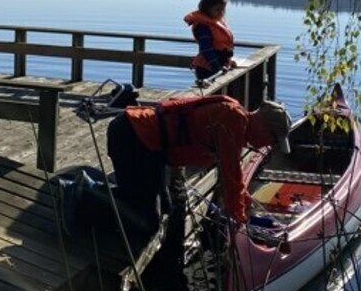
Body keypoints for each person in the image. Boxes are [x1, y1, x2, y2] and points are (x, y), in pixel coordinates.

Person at [106, 94, 292, 233]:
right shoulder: (233, 120)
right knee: (146, 216)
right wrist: (239, 220)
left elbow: (234, 179)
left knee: (165, 206)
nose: (270, 145)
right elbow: (231, 178)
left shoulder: (238, 126)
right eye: (273, 139)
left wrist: (244, 201)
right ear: (263, 126)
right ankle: (84, 191)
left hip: (153, 150)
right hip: (131, 136)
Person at [185, 0, 235, 80]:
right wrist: (216, 67)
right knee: (210, 93)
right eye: (217, 9)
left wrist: (229, 61)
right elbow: (206, 49)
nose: (221, 13)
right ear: (207, 7)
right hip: (207, 68)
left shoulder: (216, 22)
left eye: (223, 10)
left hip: (220, 65)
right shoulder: (203, 26)